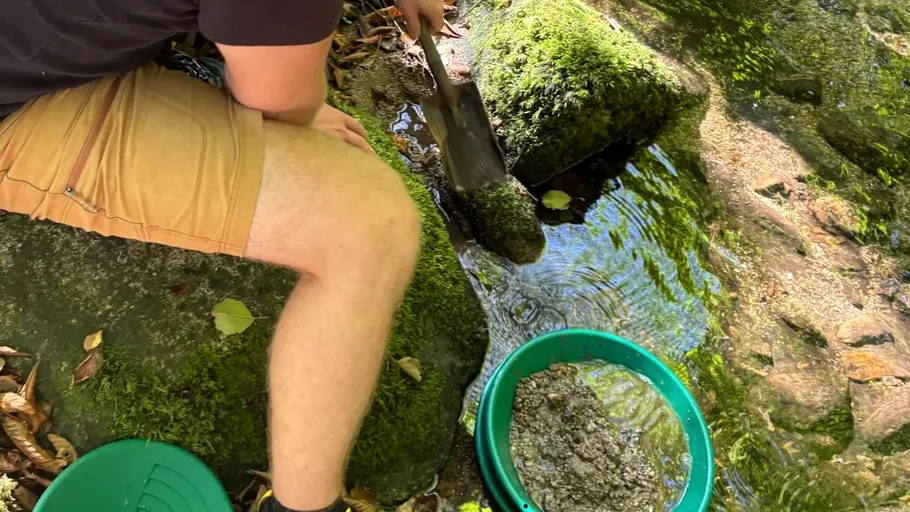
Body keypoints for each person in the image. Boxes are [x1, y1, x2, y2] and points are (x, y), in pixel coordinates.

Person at [0, 0, 445, 511]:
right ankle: (304, 506)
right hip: (19, 98)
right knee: (370, 227)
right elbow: (278, 101)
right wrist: (297, 106)